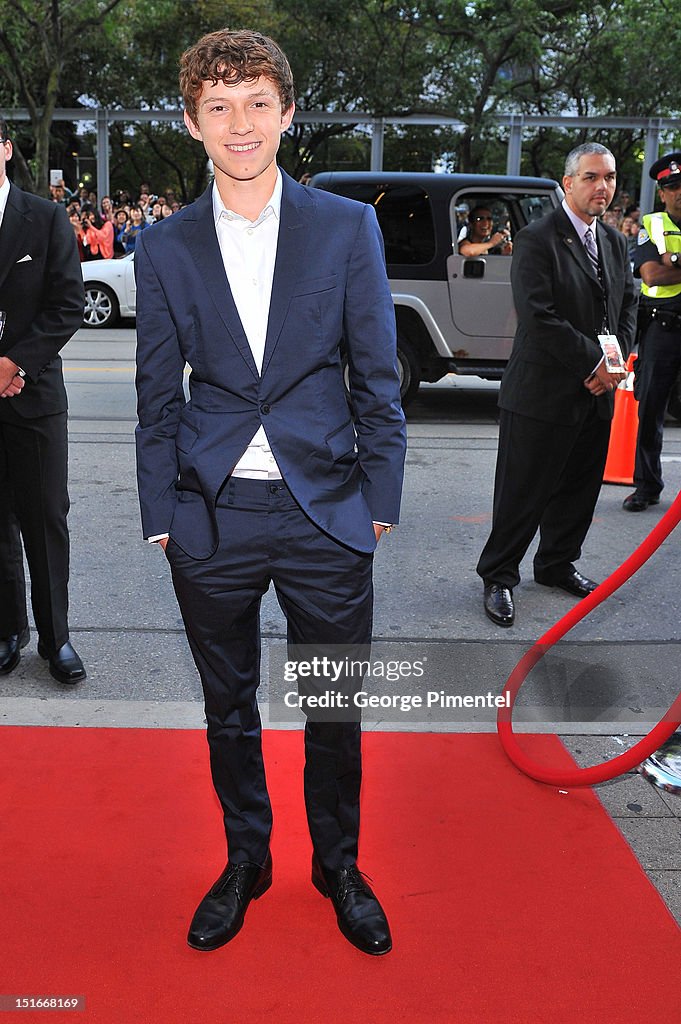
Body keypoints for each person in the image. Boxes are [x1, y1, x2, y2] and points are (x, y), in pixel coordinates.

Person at [134, 29, 406, 955]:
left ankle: (338, 864)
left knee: (334, 703)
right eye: (218, 106)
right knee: (228, 704)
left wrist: (380, 496)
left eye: (256, 103)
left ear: (287, 114)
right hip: (209, 514)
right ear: (191, 122)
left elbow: (377, 374)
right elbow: (153, 395)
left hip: (326, 509)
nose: (239, 124)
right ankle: (246, 858)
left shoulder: (345, 227)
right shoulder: (164, 246)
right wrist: (159, 515)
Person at [476, 142, 637, 627]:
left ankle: (555, 564)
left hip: (596, 394)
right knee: (522, 491)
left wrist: (614, 364)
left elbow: (626, 304)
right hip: (542, 393)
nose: (601, 187)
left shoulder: (613, 241)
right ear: (568, 183)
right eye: (590, 177)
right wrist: (594, 364)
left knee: (579, 489)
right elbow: (538, 317)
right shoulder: (537, 238)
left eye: (608, 178)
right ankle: (499, 576)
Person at [0, 116, 86, 683]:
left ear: (5, 148)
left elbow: (67, 304)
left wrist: (13, 362)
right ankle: (8, 630)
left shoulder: (46, 216)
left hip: (33, 395)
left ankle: (57, 640)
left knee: (46, 518)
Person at [623, 152, 681, 512]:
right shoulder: (652, 224)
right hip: (663, 326)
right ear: (662, 194)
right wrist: (665, 265)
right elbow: (651, 275)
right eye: (673, 187)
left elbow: (665, 268)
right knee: (651, 412)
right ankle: (647, 486)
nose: (679, 193)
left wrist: (672, 261)